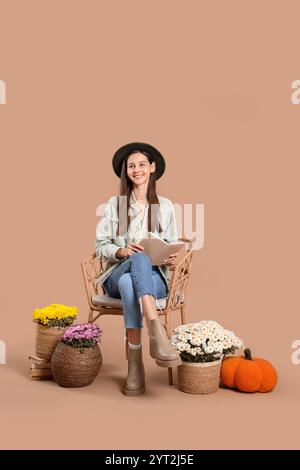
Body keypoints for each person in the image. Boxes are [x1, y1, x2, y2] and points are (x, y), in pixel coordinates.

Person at [95, 142, 182, 396]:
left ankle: (135, 366)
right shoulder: (116, 204)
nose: (137, 169)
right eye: (131, 166)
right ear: (126, 172)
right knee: (135, 262)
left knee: (130, 284)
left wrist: (170, 257)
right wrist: (121, 251)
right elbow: (101, 245)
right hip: (117, 273)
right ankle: (156, 331)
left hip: (153, 278)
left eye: (142, 164)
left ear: (152, 168)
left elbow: (172, 245)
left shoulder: (164, 206)